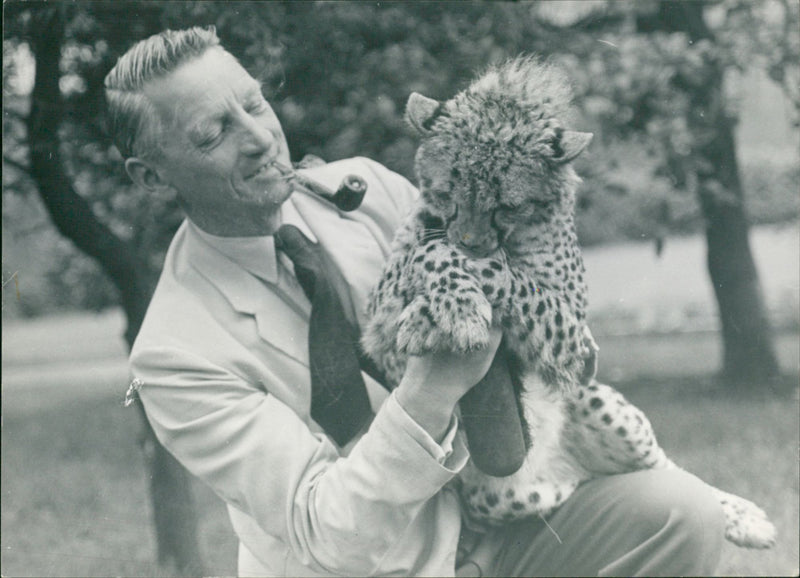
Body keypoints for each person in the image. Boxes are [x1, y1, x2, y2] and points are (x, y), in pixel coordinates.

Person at [111, 26, 724, 577]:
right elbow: (326, 535)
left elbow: (512, 284)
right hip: (370, 569)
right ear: (151, 177)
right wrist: (433, 387)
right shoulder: (172, 355)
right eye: (213, 132)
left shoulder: (364, 187)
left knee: (684, 515)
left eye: (253, 104)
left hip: (496, 525)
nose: (258, 138)